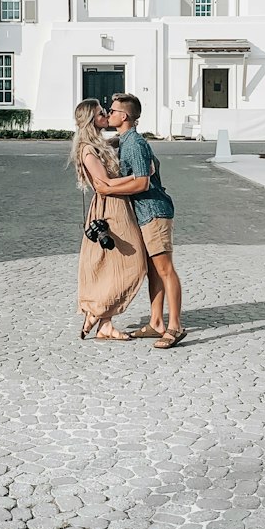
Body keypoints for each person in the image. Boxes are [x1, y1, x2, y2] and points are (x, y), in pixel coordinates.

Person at [101, 93, 186, 349]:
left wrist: (108, 189)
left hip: (154, 211)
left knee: (165, 269)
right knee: (153, 271)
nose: (109, 113)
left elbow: (142, 182)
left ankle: (176, 326)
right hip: (145, 212)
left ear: (123, 116)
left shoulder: (135, 144)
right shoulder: (126, 141)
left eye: (112, 110)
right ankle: (157, 322)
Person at [69, 98, 148, 342]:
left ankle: (104, 324)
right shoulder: (88, 149)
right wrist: (139, 176)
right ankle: (97, 312)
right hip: (110, 208)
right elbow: (104, 185)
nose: (106, 115)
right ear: (93, 119)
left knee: (112, 265)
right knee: (134, 264)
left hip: (118, 204)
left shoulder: (99, 144)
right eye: (102, 113)